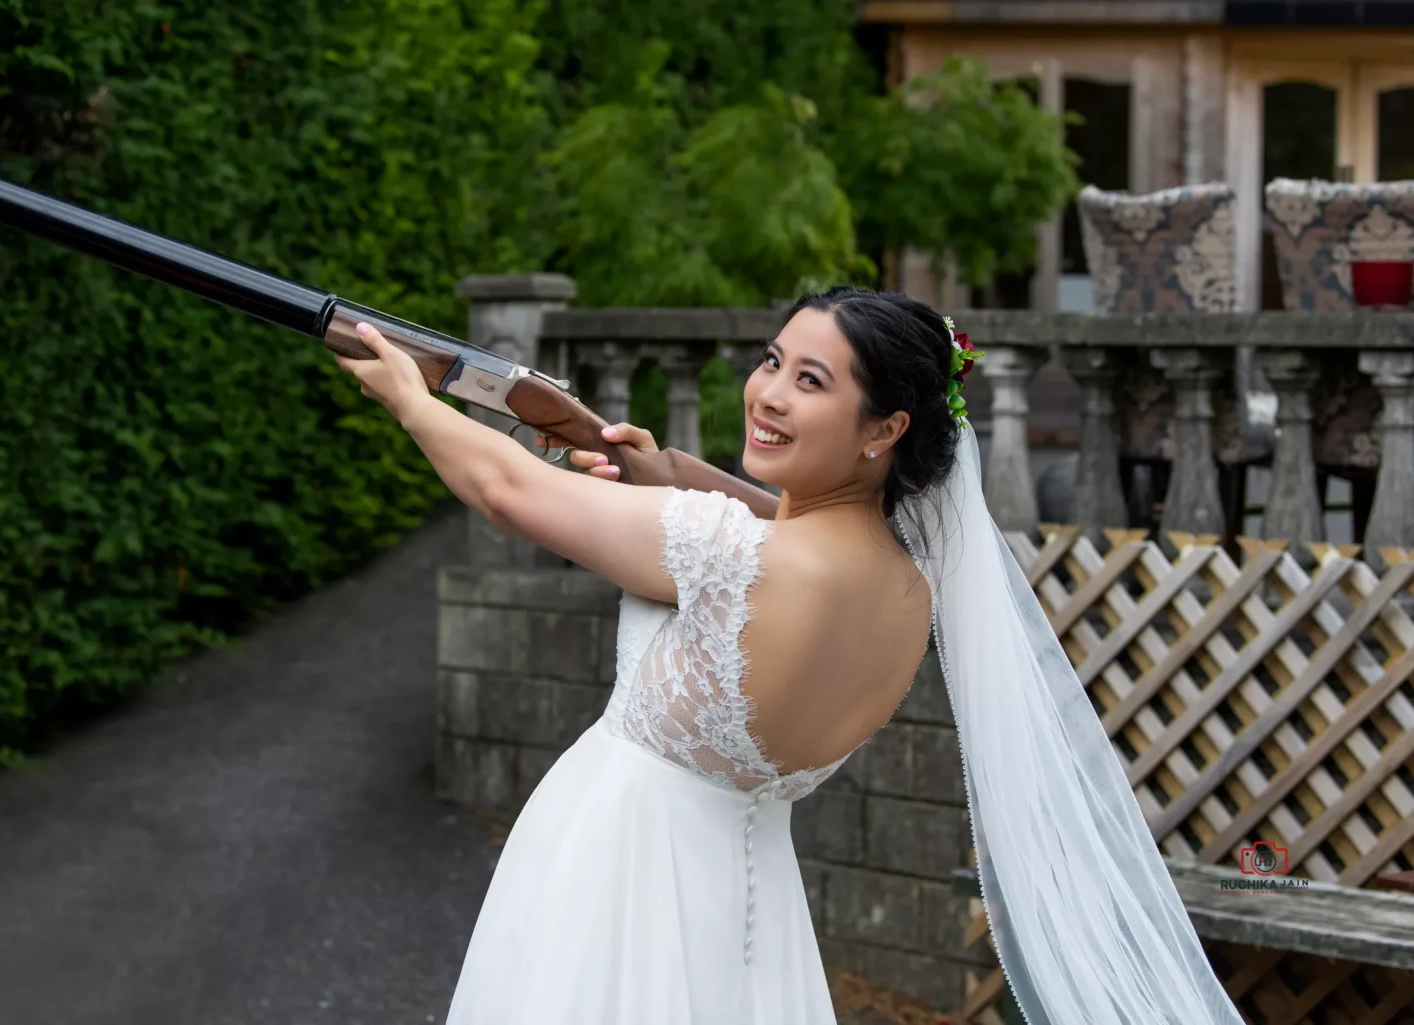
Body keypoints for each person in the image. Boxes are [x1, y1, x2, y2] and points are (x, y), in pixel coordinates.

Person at [335, 287, 1244, 1025]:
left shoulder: (732, 550)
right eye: (772, 360)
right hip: (750, 901)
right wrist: (674, 471)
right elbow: (795, 519)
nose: (767, 392)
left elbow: (502, 487)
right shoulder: (912, 588)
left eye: (810, 380)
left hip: (611, 874)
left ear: (882, 427)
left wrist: (413, 399)